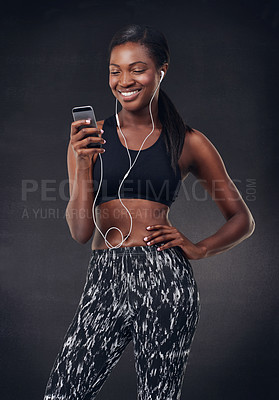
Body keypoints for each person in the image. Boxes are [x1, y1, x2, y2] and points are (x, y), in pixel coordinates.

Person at [43, 24, 255, 400]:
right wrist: (81, 163)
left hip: (164, 280)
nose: (124, 80)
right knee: (63, 392)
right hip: (104, 278)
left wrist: (199, 248)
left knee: (158, 395)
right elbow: (79, 231)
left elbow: (242, 219)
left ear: (161, 71)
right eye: (115, 70)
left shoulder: (189, 141)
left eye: (137, 69)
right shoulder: (89, 139)